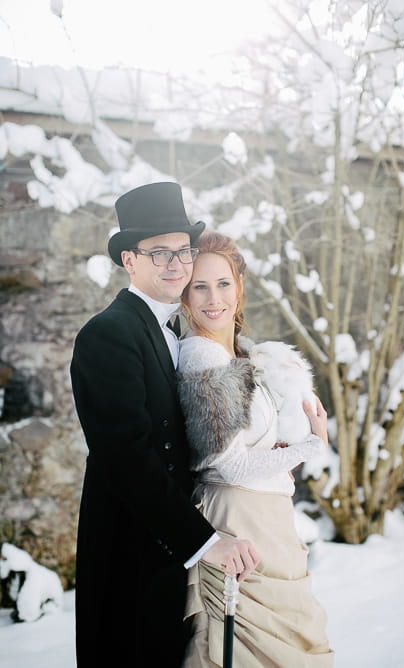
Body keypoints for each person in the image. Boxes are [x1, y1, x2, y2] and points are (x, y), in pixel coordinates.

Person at [70, 183, 259, 668]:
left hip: (167, 552)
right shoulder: (108, 334)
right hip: (129, 555)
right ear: (129, 260)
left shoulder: (175, 328)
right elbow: (128, 456)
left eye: (182, 250)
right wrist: (205, 540)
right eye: (159, 252)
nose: (176, 263)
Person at [177, 230, 335, 667]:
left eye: (223, 283)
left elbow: (248, 444)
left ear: (239, 286)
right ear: (185, 296)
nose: (214, 298)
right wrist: (309, 446)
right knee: (240, 652)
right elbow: (230, 468)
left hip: (270, 522)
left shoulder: (239, 354)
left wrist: (283, 443)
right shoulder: (203, 358)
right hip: (236, 519)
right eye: (199, 286)